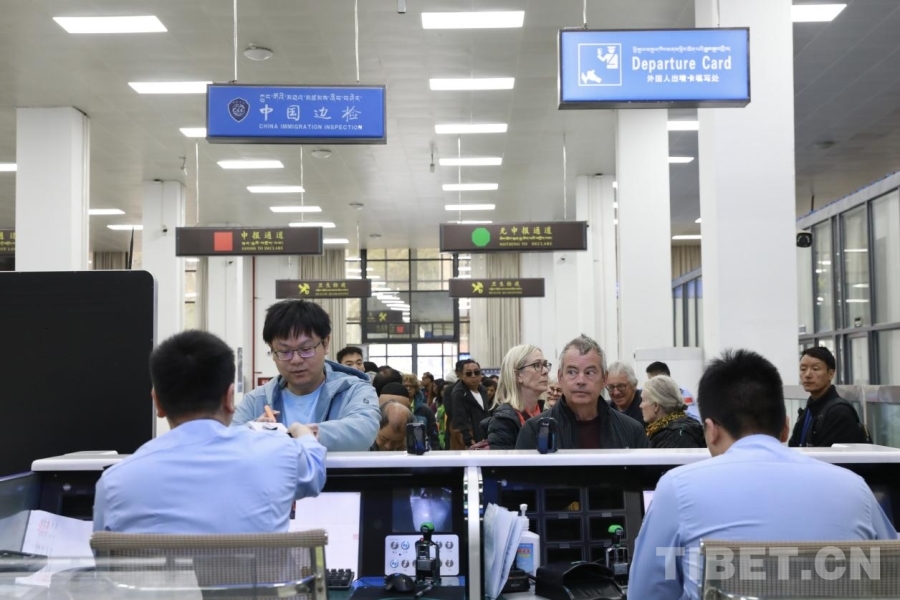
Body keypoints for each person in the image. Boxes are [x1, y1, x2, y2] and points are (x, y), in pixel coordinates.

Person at [629, 349, 896, 600]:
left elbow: (645, 594)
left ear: (710, 430)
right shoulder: (855, 490)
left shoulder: (677, 489)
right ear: (785, 428)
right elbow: (892, 581)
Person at [94, 330, 326, 533]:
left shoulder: (115, 483)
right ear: (229, 398)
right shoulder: (279, 454)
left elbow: (107, 560)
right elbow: (315, 471)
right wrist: (301, 432)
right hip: (256, 574)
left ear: (158, 403)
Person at [234, 300, 379, 451]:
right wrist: (251, 434)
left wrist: (312, 434)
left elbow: (364, 430)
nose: (296, 360)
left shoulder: (355, 391)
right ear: (272, 351)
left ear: (326, 343)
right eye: (284, 351)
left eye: (306, 349)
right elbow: (231, 443)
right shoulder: (256, 400)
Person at [516, 335, 647, 450]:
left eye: (590, 372)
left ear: (604, 379)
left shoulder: (632, 431)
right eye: (572, 372)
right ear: (560, 377)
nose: (581, 381)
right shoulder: (533, 431)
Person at [789, 346, 870, 447]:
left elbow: (829, 454)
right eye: (803, 369)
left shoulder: (839, 412)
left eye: (815, 369)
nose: (807, 375)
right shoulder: (809, 409)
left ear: (831, 374)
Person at [486, 345, 549, 450]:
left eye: (545, 365)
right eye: (537, 365)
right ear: (518, 375)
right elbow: (504, 461)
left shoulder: (547, 413)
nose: (546, 370)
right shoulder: (503, 420)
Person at [639, 375, 705, 448]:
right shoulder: (680, 428)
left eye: (643, 400)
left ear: (656, 406)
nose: (640, 406)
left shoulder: (672, 437)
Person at [448, 360, 489, 449]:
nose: (473, 376)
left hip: (484, 439)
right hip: (469, 443)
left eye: (477, 372)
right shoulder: (459, 393)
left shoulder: (483, 390)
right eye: (469, 373)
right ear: (462, 375)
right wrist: (469, 442)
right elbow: (459, 422)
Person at [402, 373, 441, 451]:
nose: (408, 388)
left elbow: (433, 434)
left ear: (416, 388)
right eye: (405, 386)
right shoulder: (396, 408)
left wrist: (435, 450)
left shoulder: (425, 409)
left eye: (411, 386)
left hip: (421, 449)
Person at [606, 362, 645, 426]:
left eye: (621, 386)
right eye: (611, 387)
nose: (616, 393)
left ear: (634, 385)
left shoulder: (645, 406)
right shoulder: (605, 409)